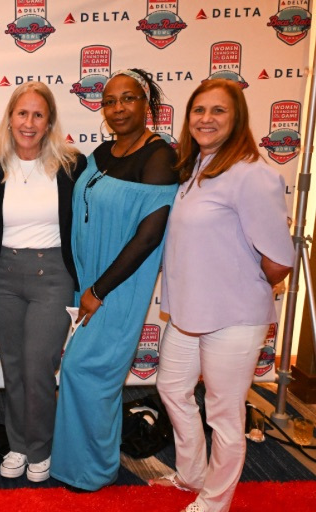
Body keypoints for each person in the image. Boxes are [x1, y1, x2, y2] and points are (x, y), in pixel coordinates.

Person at [153, 80, 294, 512]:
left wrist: (239, 282)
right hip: (188, 313)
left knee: (224, 414)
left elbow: (279, 260)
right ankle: (193, 475)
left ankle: (215, 501)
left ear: (237, 119)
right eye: (199, 110)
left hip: (234, 317)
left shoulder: (252, 175)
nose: (206, 119)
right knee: (171, 387)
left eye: (218, 111)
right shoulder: (195, 167)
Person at [49, 69, 178, 491]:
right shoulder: (101, 153)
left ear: (147, 103)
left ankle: (95, 469)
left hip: (118, 285)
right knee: (85, 374)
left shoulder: (159, 157)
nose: (118, 108)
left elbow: (149, 236)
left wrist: (99, 290)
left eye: (128, 98)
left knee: (88, 371)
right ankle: (81, 461)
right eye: (109, 101)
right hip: (89, 280)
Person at [0, 82, 87, 483]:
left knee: (38, 366)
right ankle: (18, 444)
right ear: (10, 118)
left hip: (53, 277)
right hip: (3, 278)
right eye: (22, 113)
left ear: (49, 122)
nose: (29, 123)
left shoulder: (72, 165)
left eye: (38, 115)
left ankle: (40, 447)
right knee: (13, 366)